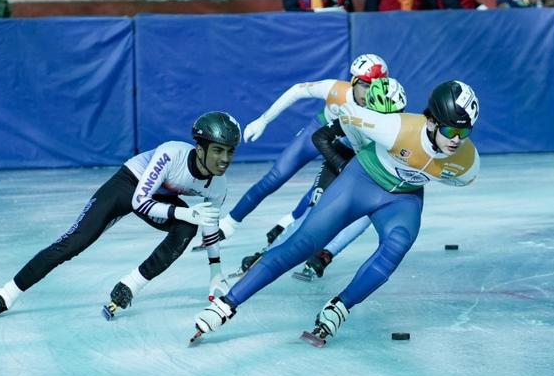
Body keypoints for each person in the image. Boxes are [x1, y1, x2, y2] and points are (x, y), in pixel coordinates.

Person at [192, 81, 482, 348]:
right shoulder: (393, 128)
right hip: (362, 181)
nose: (456, 140)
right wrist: (352, 154)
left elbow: (459, 177)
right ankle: (227, 304)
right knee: (302, 245)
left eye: (464, 132)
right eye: (449, 131)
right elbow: (348, 113)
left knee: (397, 245)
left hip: (403, 199)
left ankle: (340, 307)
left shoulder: (468, 164)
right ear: (431, 121)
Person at [0, 112, 240, 321]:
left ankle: (130, 285)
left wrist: (215, 270)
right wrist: (185, 211)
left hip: (161, 198)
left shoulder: (219, 185)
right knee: (72, 243)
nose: (224, 159)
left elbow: (209, 224)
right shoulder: (173, 153)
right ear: (200, 148)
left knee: (186, 228)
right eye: (218, 150)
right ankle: (5, 294)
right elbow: (139, 201)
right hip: (128, 186)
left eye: (230, 151)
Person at [206, 54, 391, 289]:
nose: (369, 93)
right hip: (323, 134)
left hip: (348, 151)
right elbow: (296, 91)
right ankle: (230, 223)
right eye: (365, 85)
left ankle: (304, 236)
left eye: (376, 86)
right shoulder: (336, 89)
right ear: (353, 82)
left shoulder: (385, 105)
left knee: (329, 204)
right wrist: (264, 119)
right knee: (276, 177)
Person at [238, 77, 409, 284]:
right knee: (313, 213)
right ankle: (266, 255)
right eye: (383, 116)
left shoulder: (407, 127)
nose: (389, 122)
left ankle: (323, 256)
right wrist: (340, 165)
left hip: (363, 170)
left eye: (395, 115)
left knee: (366, 215)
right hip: (343, 161)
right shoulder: (355, 116)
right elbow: (320, 137)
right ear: (369, 108)